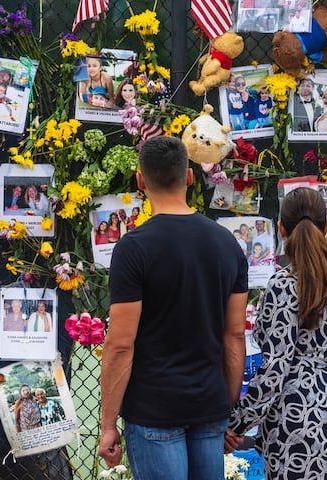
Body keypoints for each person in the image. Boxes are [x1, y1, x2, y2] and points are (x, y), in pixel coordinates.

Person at [99, 136, 248, 479]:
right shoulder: (227, 244)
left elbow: (121, 344)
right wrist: (226, 407)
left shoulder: (133, 249)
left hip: (154, 409)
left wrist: (108, 424)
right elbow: (235, 334)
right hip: (209, 406)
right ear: (190, 178)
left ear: (140, 180)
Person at [225, 187, 327, 479]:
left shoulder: (281, 285)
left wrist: (236, 424)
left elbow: (276, 368)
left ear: (281, 229)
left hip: (293, 419)